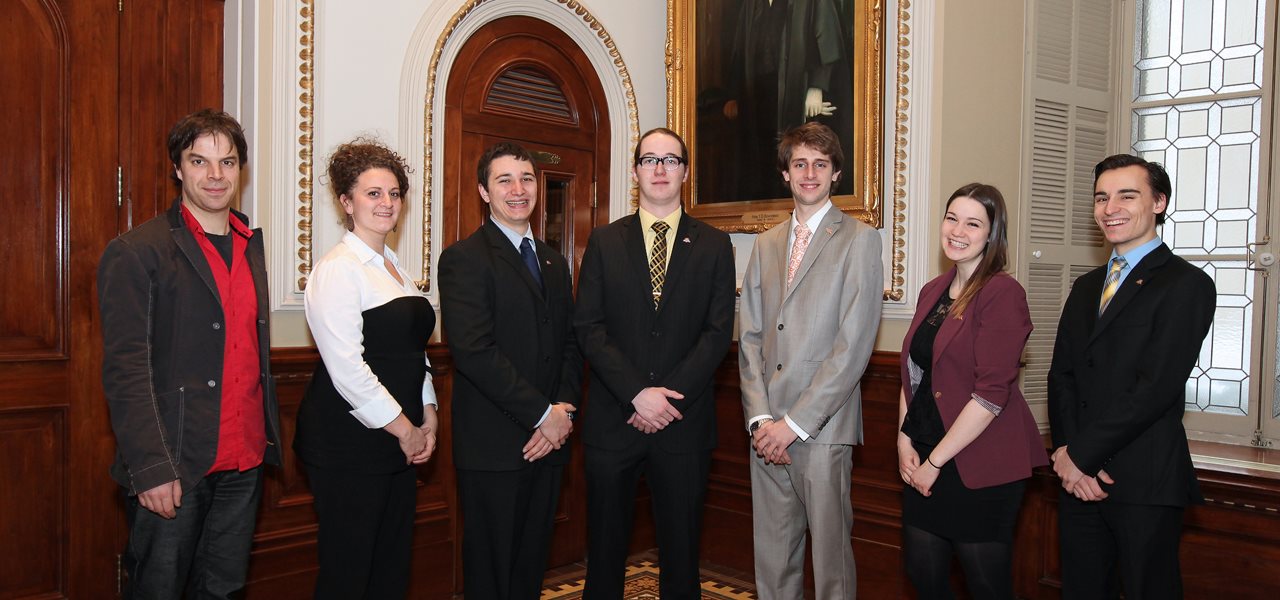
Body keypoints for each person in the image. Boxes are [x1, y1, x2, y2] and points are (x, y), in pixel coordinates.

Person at [98, 108, 282, 598]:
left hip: (244, 459)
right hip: (176, 464)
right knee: (159, 589)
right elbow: (126, 371)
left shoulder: (251, 246)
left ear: (240, 168)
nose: (215, 175)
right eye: (199, 162)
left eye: (227, 162)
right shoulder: (138, 252)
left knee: (222, 590)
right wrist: (152, 468)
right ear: (178, 168)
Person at [574, 128, 736, 599]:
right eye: (650, 160)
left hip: (683, 423)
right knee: (603, 552)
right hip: (613, 420)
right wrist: (637, 394)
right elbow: (589, 327)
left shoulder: (714, 244)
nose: (660, 169)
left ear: (685, 171)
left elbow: (716, 332)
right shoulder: (604, 242)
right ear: (636, 172)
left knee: (681, 553)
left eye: (670, 160)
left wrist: (665, 399)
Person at [1049, 154, 1215, 599]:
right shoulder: (1086, 286)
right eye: (1101, 197)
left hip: (1143, 479)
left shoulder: (1186, 284)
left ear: (1159, 202)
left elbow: (1155, 388)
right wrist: (1066, 453)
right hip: (1077, 480)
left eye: (1127, 195)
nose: (1110, 208)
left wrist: (1082, 454)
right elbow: (1061, 375)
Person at [738, 121, 881, 599]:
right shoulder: (767, 242)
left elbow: (853, 346)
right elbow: (752, 337)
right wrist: (761, 420)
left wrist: (794, 424)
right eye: (799, 163)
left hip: (822, 430)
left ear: (835, 173)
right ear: (785, 174)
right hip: (766, 434)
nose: (809, 173)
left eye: (820, 164)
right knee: (774, 560)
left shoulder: (859, 240)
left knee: (831, 565)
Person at [293, 139, 437, 599]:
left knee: (390, 567)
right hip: (348, 443)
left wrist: (428, 411)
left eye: (394, 193)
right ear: (346, 201)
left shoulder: (394, 265)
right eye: (373, 193)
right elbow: (347, 369)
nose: (386, 203)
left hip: (398, 437)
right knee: (349, 572)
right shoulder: (338, 269)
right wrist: (405, 430)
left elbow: (416, 351)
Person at [438, 141, 582, 600]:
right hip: (495, 447)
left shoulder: (555, 262)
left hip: (550, 441)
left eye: (526, 179)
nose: (518, 190)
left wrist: (563, 412)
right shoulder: (464, 259)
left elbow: (569, 345)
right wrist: (543, 414)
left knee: (529, 566)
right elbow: (475, 352)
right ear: (483, 191)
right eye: (504, 180)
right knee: (491, 571)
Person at [896, 184, 1047, 599]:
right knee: (923, 573)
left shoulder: (1002, 293)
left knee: (985, 583)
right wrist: (904, 439)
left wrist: (935, 462)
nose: (958, 230)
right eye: (952, 218)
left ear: (991, 234)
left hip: (980, 462)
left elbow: (990, 394)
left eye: (973, 223)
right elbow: (914, 374)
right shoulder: (932, 290)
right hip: (926, 447)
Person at [722, 0, 854, 200]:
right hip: (759, 98)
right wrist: (733, 95)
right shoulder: (752, 4)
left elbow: (826, 36)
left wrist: (817, 87)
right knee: (761, 159)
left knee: (796, 151)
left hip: (795, 89)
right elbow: (740, 47)